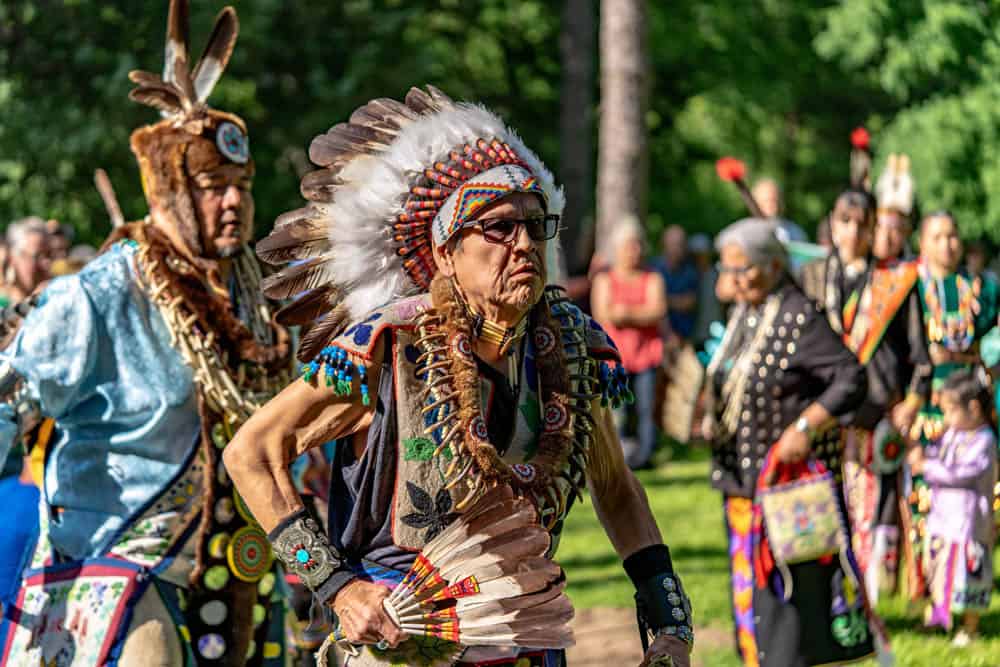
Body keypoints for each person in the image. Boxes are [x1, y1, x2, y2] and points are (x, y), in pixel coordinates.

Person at [224, 85, 694, 667]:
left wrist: (668, 617)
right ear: (446, 252)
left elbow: (617, 490)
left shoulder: (568, 350)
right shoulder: (388, 347)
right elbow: (251, 452)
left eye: (534, 225)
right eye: (496, 228)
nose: (523, 244)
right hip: (402, 639)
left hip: (528, 635)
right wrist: (338, 588)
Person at [0, 3, 294, 665]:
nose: (233, 201)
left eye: (242, 184)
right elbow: (8, 397)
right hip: (117, 557)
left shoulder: (256, 298)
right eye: (213, 185)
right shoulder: (98, 295)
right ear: (167, 192)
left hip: (238, 564)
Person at [705, 217, 883, 667]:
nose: (734, 281)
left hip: (787, 493)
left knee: (788, 610)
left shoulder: (799, 317)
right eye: (728, 271)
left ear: (773, 265)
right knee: (754, 606)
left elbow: (850, 377)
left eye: (742, 269)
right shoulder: (746, 313)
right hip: (741, 487)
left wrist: (805, 428)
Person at [800, 188, 931, 602]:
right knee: (822, 506)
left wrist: (912, 401)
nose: (853, 231)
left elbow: (920, 354)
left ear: (874, 227)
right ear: (833, 223)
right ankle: (823, 595)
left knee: (868, 510)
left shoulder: (896, 283)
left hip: (873, 413)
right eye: (845, 221)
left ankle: (864, 600)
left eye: (863, 223)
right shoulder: (812, 276)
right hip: (821, 412)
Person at [903, 211, 1000, 602]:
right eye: (938, 236)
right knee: (928, 498)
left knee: (980, 492)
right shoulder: (912, 288)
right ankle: (930, 590)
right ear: (923, 243)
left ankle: (973, 583)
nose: (948, 243)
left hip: (975, 405)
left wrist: (982, 362)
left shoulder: (982, 288)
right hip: (930, 407)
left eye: (953, 234)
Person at [908, 370, 996, 645]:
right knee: (939, 570)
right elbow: (941, 457)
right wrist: (921, 452)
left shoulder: (984, 440)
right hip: (943, 519)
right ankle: (939, 617)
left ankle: (970, 626)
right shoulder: (954, 434)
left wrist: (927, 466)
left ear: (974, 408)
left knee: (969, 575)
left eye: (950, 411)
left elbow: (963, 472)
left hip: (968, 522)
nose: (945, 418)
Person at [592, 221, 667, 469]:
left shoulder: (653, 277)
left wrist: (625, 313)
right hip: (614, 357)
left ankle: (645, 455)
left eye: (636, 245)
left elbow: (657, 310)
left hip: (647, 354)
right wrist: (637, 313)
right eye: (627, 246)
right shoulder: (604, 280)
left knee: (646, 410)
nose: (632, 251)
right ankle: (620, 457)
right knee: (617, 411)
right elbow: (603, 314)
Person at [652, 224, 698, 342]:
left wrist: (662, 301)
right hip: (657, 339)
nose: (677, 248)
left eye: (681, 244)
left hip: (684, 338)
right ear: (664, 244)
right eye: (673, 243)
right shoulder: (653, 268)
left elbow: (689, 303)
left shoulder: (690, 271)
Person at [0, 217, 50, 305]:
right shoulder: (3, 300)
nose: (45, 263)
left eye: (49, 255)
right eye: (36, 256)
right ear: (13, 259)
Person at [688, 233, 721, 347]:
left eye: (702, 254)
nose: (700, 258)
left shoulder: (718, 275)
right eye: (696, 255)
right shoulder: (688, 275)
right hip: (691, 337)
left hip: (714, 335)